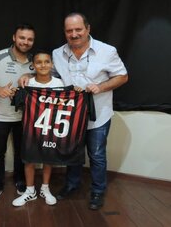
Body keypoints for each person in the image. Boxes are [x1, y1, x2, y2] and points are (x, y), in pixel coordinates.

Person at [19, 12, 128, 210]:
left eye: (78, 29)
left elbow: (122, 76)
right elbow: (47, 72)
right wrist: (28, 73)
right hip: (69, 116)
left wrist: (100, 87)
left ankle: (97, 191)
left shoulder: (107, 51)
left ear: (88, 29)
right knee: (71, 151)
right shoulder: (58, 53)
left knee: (96, 154)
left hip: (98, 114)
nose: (74, 34)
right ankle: (71, 185)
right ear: (65, 32)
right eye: (69, 31)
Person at [0, 23, 35, 206]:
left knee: (22, 152)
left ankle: (20, 181)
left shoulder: (36, 60)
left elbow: (50, 75)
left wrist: (30, 74)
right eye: (22, 38)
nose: (25, 42)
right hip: (0, 115)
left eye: (29, 39)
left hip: (26, 117)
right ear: (14, 37)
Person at [12, 50, 64, 207]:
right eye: (39, 62)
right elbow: (20, 105)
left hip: (50, 127)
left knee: (48, 159)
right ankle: (30, 191)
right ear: (33, 65)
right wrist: (15, 94)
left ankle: (45, 188)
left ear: (52, 64)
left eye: (47, 61)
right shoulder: (28, 83)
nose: (43, 65)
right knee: (29, 159)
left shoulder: (58, 84)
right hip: (30, 128)